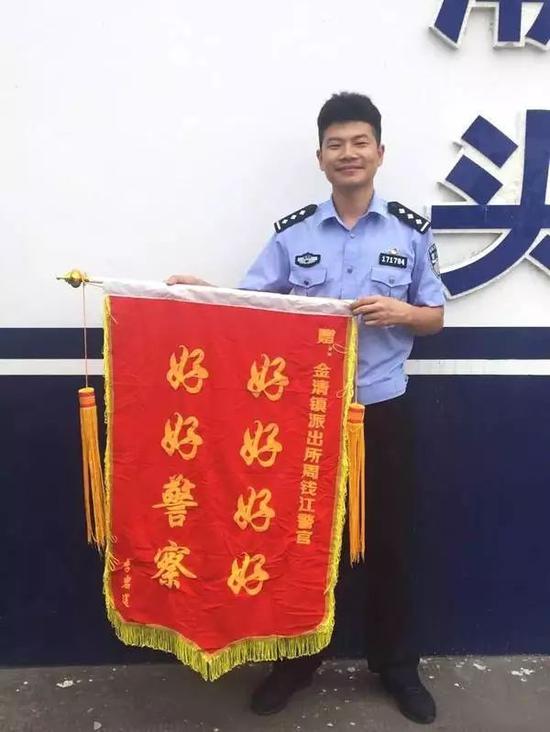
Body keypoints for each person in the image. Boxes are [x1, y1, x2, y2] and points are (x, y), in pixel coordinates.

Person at [167, 92, 444, 725]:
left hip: (381, 411)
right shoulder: (294, 235)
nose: (348, 153)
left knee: (390, 542)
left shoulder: (409, 231)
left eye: (360, 142)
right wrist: (203, 294)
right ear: (320, 158)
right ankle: (295, 662)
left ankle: (397, 666)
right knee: (300, 543)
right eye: (335, 144)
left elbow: (435, 316)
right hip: (305, 418)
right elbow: (252, 307)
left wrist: (403, 312)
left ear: (380, 152)